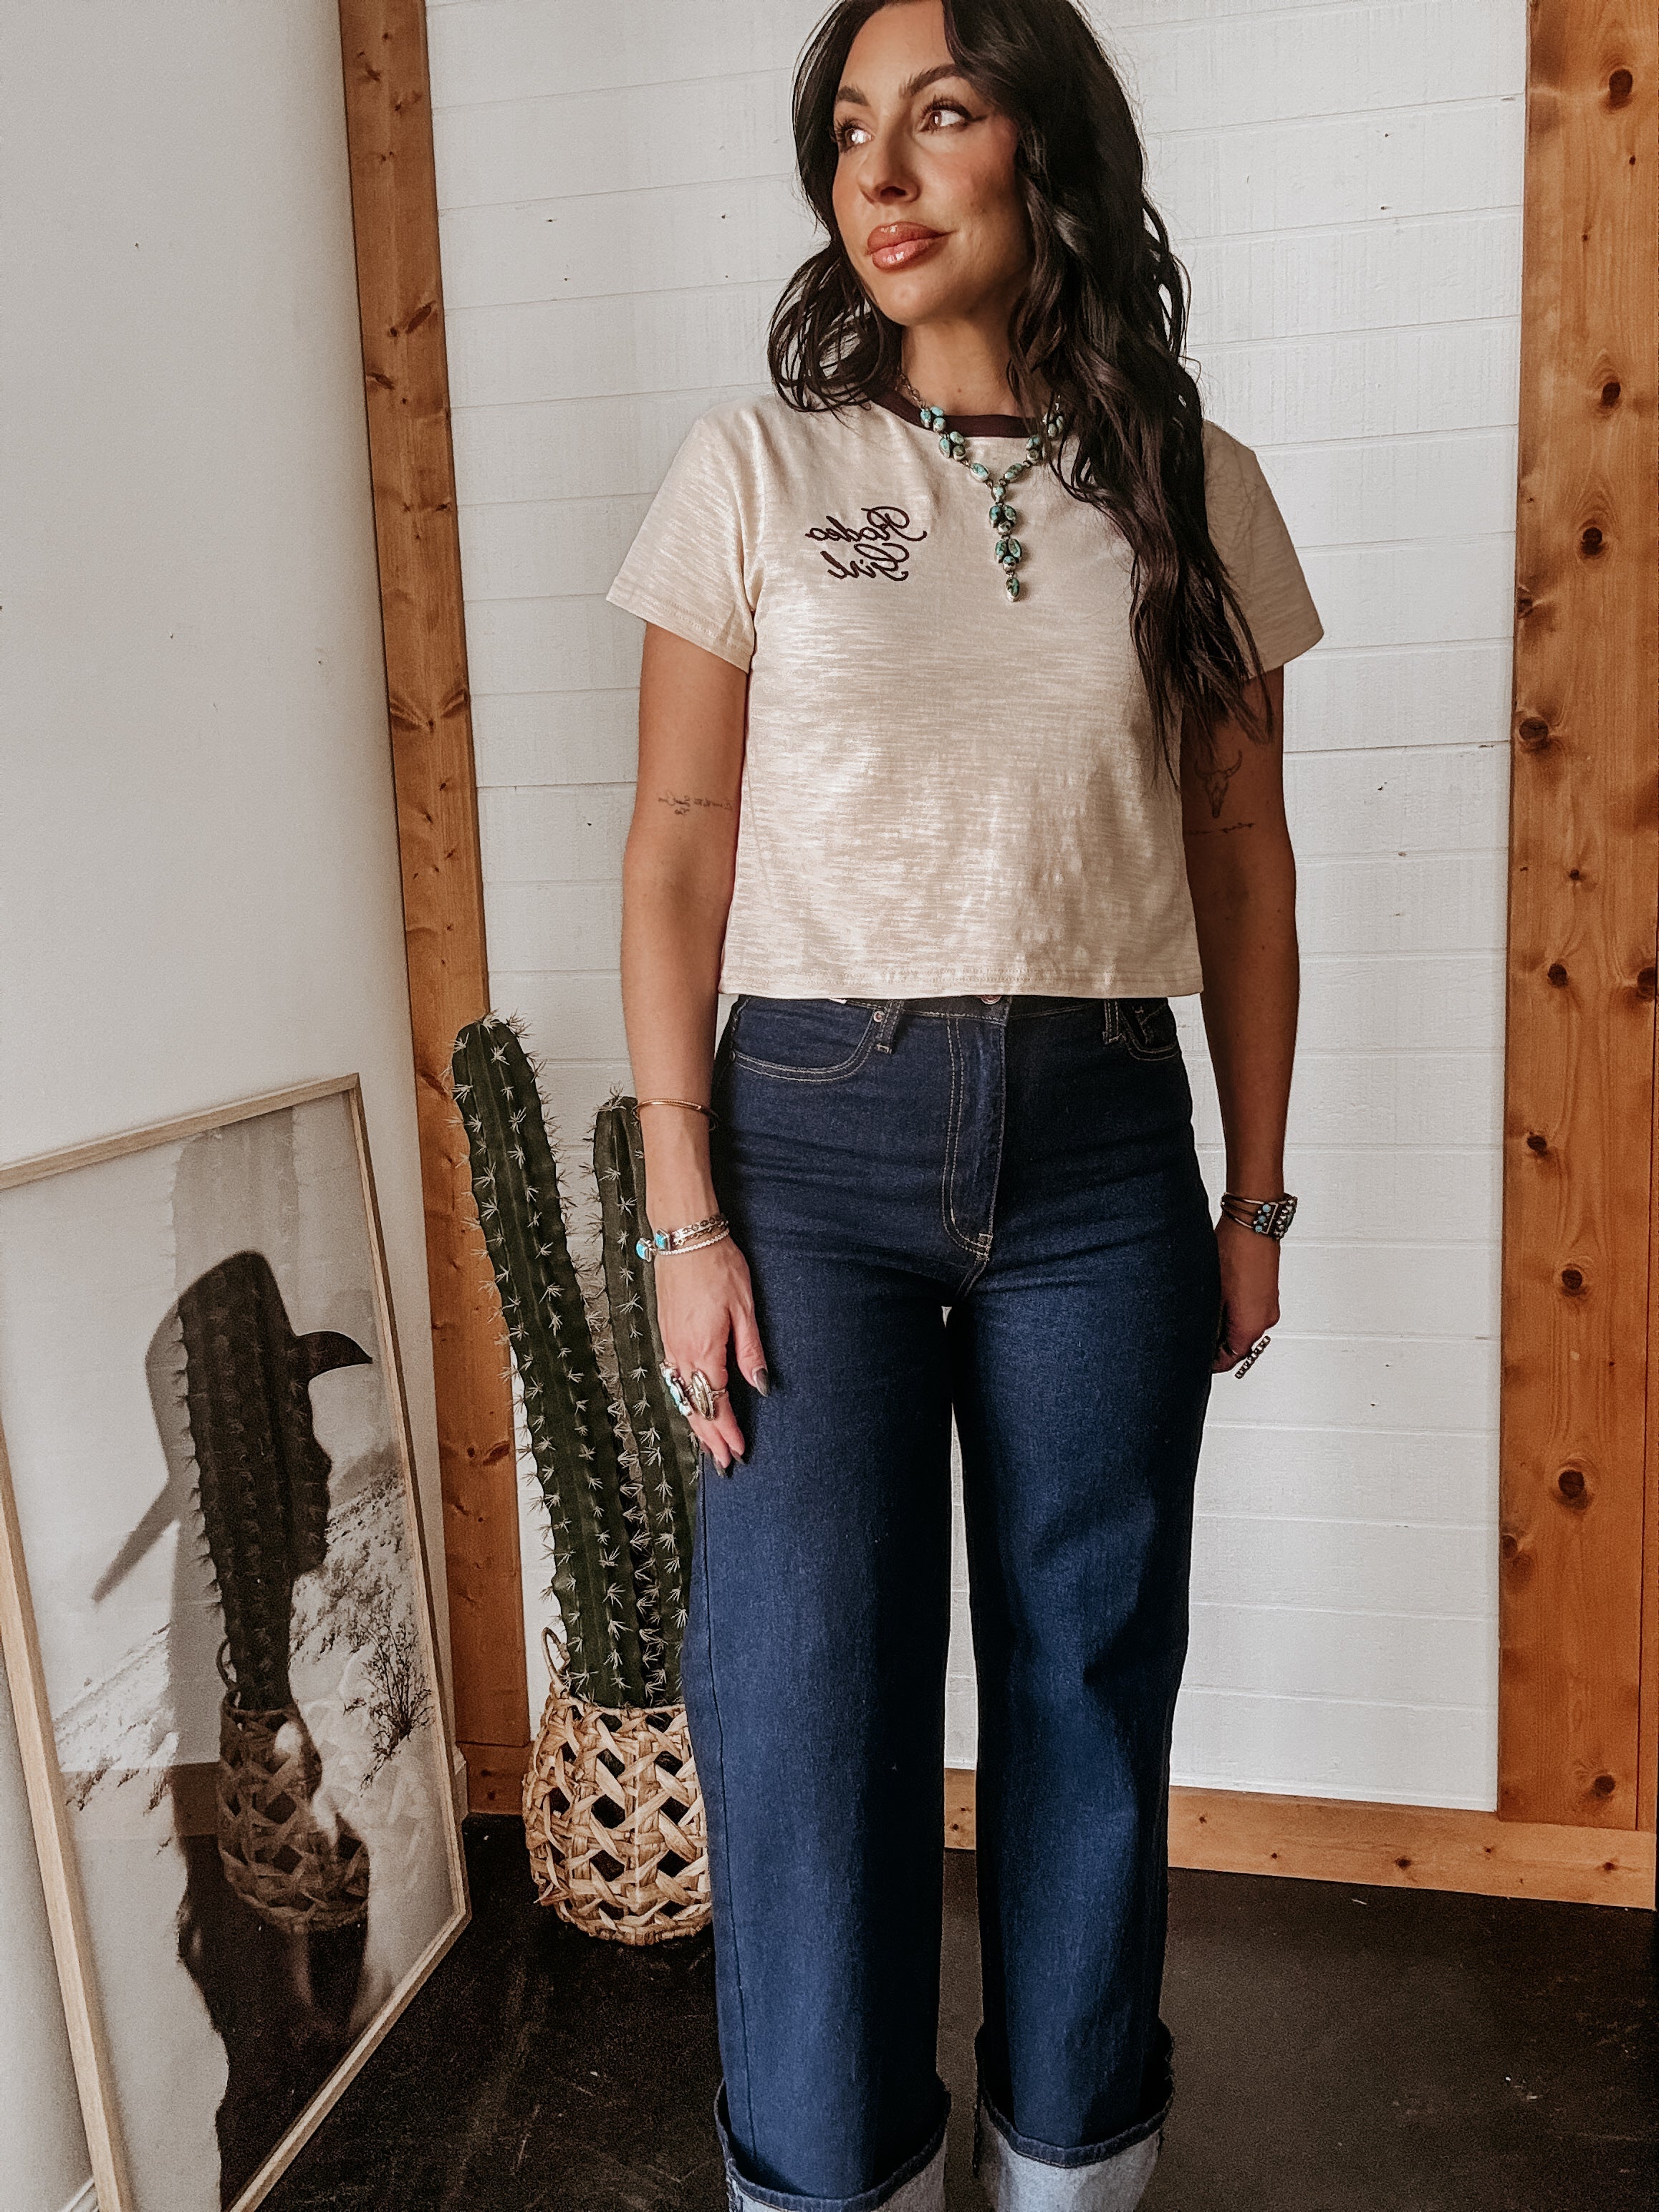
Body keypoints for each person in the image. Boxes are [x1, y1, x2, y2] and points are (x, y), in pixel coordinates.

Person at [605, 4, 1322, 2206]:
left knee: (1087, 1690)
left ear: (1046, 151)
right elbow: (672, 848)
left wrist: (1253, 1199)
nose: (883, 175)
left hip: (1107, 1141)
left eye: (941, 114)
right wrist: (679, 1215)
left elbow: (1240, 861)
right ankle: (823, 2179)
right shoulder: (758, 467)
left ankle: (1071, 2167)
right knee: (805, 1718)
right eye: (846, 134)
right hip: (804, 1146)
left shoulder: (1193, 481)